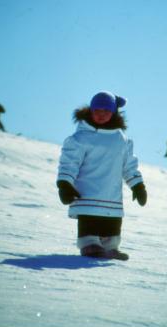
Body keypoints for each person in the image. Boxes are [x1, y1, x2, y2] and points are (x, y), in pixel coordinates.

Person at [56, 91, 147, 260]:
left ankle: (110, 247)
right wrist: (64, 183)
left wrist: (138, 185)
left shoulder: (121, 140)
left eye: (106, 111)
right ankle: (89, 244)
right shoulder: (82, 137)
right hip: (87, 192)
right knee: (90, 218)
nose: (101, 115)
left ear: (113, 113)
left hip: (112, 194)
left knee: (111, 221)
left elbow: (129, 165)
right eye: (97, 110)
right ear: (91, 111)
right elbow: (69, 162)